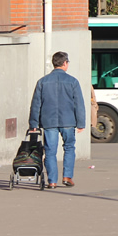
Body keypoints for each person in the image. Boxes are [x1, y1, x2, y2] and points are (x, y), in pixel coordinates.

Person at [29, 51, 86, 189]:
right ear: (65, 63)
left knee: (50, 151)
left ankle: (52, 181)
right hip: (68, 121)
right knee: (69, 147)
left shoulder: (42, 81)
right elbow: (79, 103)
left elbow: (36, 104)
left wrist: (33, 123)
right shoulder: (73, 81)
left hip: (49, 122)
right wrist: (81, 123)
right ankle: (67, 176)